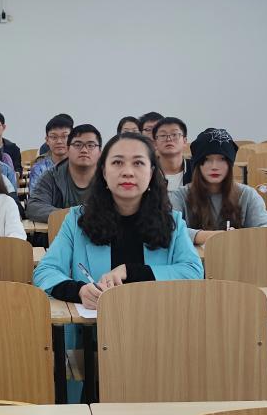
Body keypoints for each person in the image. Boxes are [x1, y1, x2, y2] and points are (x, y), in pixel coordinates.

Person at [33, 132, 203, 309]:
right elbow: (45, 271)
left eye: (138, 163)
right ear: (104, 172)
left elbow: (193, 271)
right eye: (117, 163)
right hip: (95, 323)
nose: (127, 172)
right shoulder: (77, 220)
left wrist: (130, 271)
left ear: (151, 173)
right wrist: (79, 291)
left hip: (156, 321)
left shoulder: (171, 220)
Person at [169, 128, 267, 245]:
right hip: (194, 257)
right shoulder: (180, 196)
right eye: (207, 159)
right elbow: (170, 229)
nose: (214, 166)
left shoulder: (247, 194)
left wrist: (240, 236)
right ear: (198, 165)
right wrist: (220, 236)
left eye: (222, 159)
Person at [26, 124, 102, 222]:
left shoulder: (109, 179)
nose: (84, 150)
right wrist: (74, 215)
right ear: (68, 149)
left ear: (100, 152)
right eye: (78, 145)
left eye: (90, 145)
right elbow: (34, 207)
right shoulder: (52, 176)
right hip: (60, 231)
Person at [28, 114, 73, 192]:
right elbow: (35, 198)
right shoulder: (39, 169)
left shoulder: (81, 166)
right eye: (54, 137)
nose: (59, 141)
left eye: (64, 136)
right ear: (47, 140)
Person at [151, 116, 192, 191]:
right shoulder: (147, 171)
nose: (169, 139)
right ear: (155, 143)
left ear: (185, 141)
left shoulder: (196, 170)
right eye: (163, 135)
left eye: (174, 134)